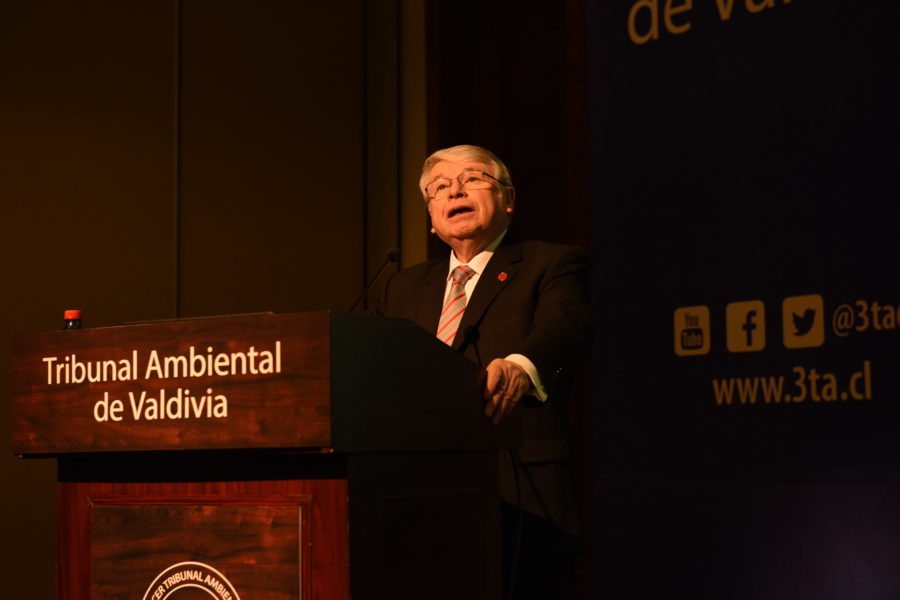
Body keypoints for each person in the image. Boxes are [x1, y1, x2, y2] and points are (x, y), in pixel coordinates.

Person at [373, 144, 592, 598]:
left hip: (517, 485)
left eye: (473, 178)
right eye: (440, 187)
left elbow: (565, 328)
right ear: (431, 217)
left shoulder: (551, 262)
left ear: (508, 199)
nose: (455, 191)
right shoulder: (401, 286)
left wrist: (521, 368)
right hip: (416, 489)